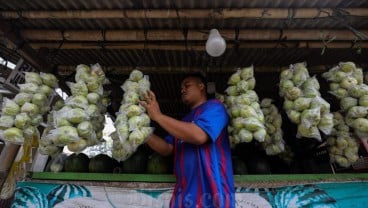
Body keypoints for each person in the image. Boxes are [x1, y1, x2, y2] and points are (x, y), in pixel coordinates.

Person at [140, 73, 235, 208]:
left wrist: (158, 116)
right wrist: (142, 132)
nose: (183, 90)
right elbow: (167, 148)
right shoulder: (183, 122)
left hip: (211, 196)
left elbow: (199, 136)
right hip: (184, 197)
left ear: (201, 86)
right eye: (181, 89)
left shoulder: (215, 107)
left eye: (187, 85)